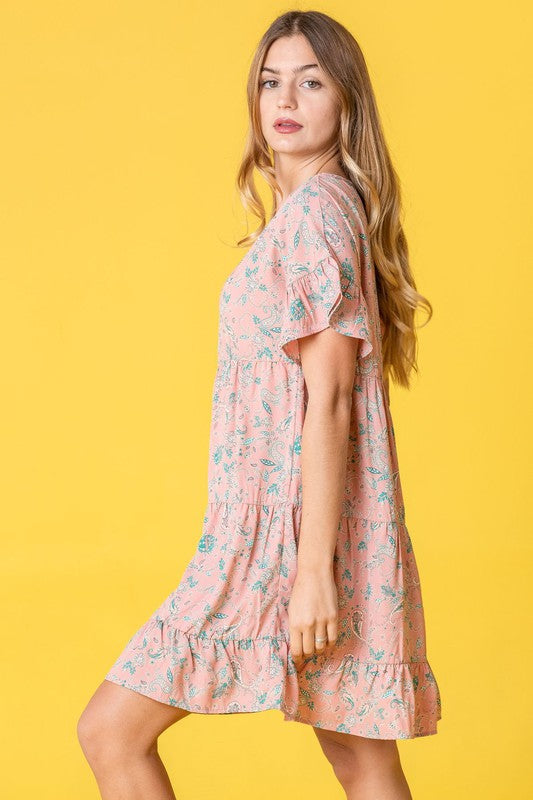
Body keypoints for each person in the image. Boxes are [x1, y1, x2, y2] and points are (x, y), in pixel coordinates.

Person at [77, 10, 442, 800]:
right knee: (362, 760)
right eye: (271, 81)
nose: (286, 98)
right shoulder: (318, 213)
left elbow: (333, 398)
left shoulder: (316, 218)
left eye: (311, 81)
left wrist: (312, 574)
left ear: (347, 103)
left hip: (286, 542)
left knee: (110, 731)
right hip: (308, 532)